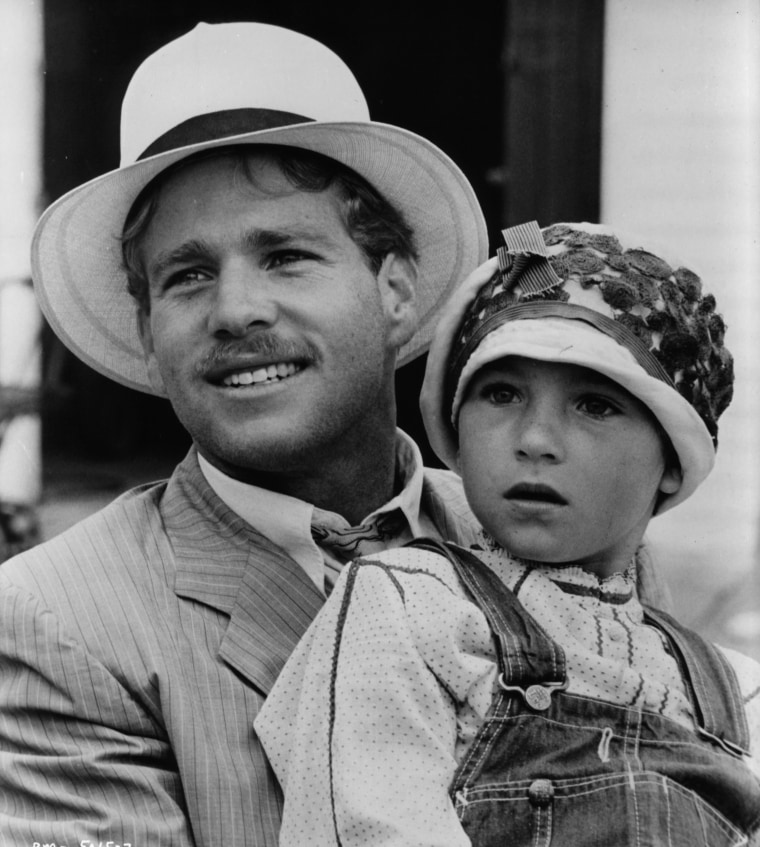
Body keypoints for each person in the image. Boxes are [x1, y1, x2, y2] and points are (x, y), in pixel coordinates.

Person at [0, 20, 490, 847]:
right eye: (188, 276)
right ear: (150, 335)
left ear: (395, 289)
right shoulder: (63, 617)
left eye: (286, 255)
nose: (236, 311)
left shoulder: (533, 538)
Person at [255, 221, 760, 846]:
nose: (535, 441)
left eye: (596, 406)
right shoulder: (409, 605)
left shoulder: (731, 692)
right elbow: (370, 826)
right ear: (456, 428)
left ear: (674, 460)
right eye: (501, 394)